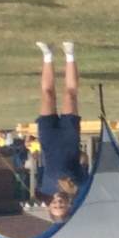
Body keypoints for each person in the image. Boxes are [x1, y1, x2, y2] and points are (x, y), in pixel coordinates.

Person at [34, 40, 88, 223]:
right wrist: (76, 157)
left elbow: (42, 166)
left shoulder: (43, 190)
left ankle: (47, 55)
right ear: (68, 206)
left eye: (55, 207)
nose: (58, 204)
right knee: (70, 95)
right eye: (61, 206)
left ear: (50, 206)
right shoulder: (78, 186)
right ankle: (69, 54)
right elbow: (84, 160)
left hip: (48, 139)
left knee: (47, 94)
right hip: (69, 138)